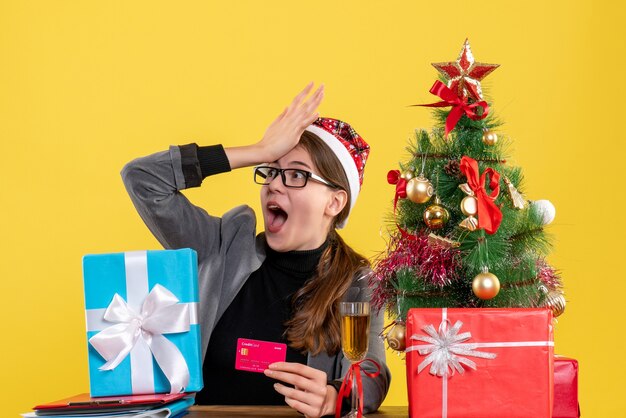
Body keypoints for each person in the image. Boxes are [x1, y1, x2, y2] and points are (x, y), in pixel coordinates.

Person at [121, 82, 390, 417]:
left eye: (296, 175)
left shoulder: (357, 283)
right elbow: (142, 178)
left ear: (334, 202)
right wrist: (259, 150)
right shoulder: (221, 246)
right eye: (271, 171)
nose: (275, 184)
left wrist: (336, 396)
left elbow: (373, 373)